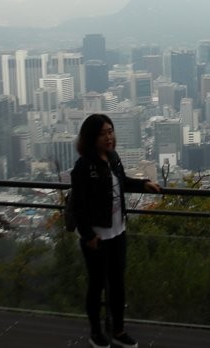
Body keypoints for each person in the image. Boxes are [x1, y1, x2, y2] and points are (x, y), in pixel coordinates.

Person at [70, 113, 161, 348]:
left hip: (118, 231)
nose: (108, 137)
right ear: (91, 137)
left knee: (118, 283)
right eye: (102, 133)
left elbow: (121, 181)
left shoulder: (113, 157)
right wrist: (88, 235)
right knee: (97, 284)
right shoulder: (83, 166)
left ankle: (118, 330)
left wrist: (143, 184)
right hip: (96, 236)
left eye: (110, 131)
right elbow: (78, 205)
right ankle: (96, 332)